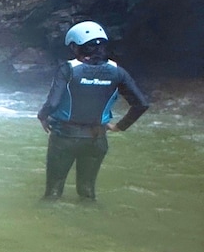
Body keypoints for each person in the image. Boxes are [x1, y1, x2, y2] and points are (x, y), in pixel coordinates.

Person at [37, 22, 149, 201]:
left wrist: (42, 116)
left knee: (53, 193)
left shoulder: (68, 69)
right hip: (97, 139)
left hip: (65, 137)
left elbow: (53, 103)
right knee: (87, 193)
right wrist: (120, 126)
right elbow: (141, 104)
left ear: (75, 46)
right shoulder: (117, 72)